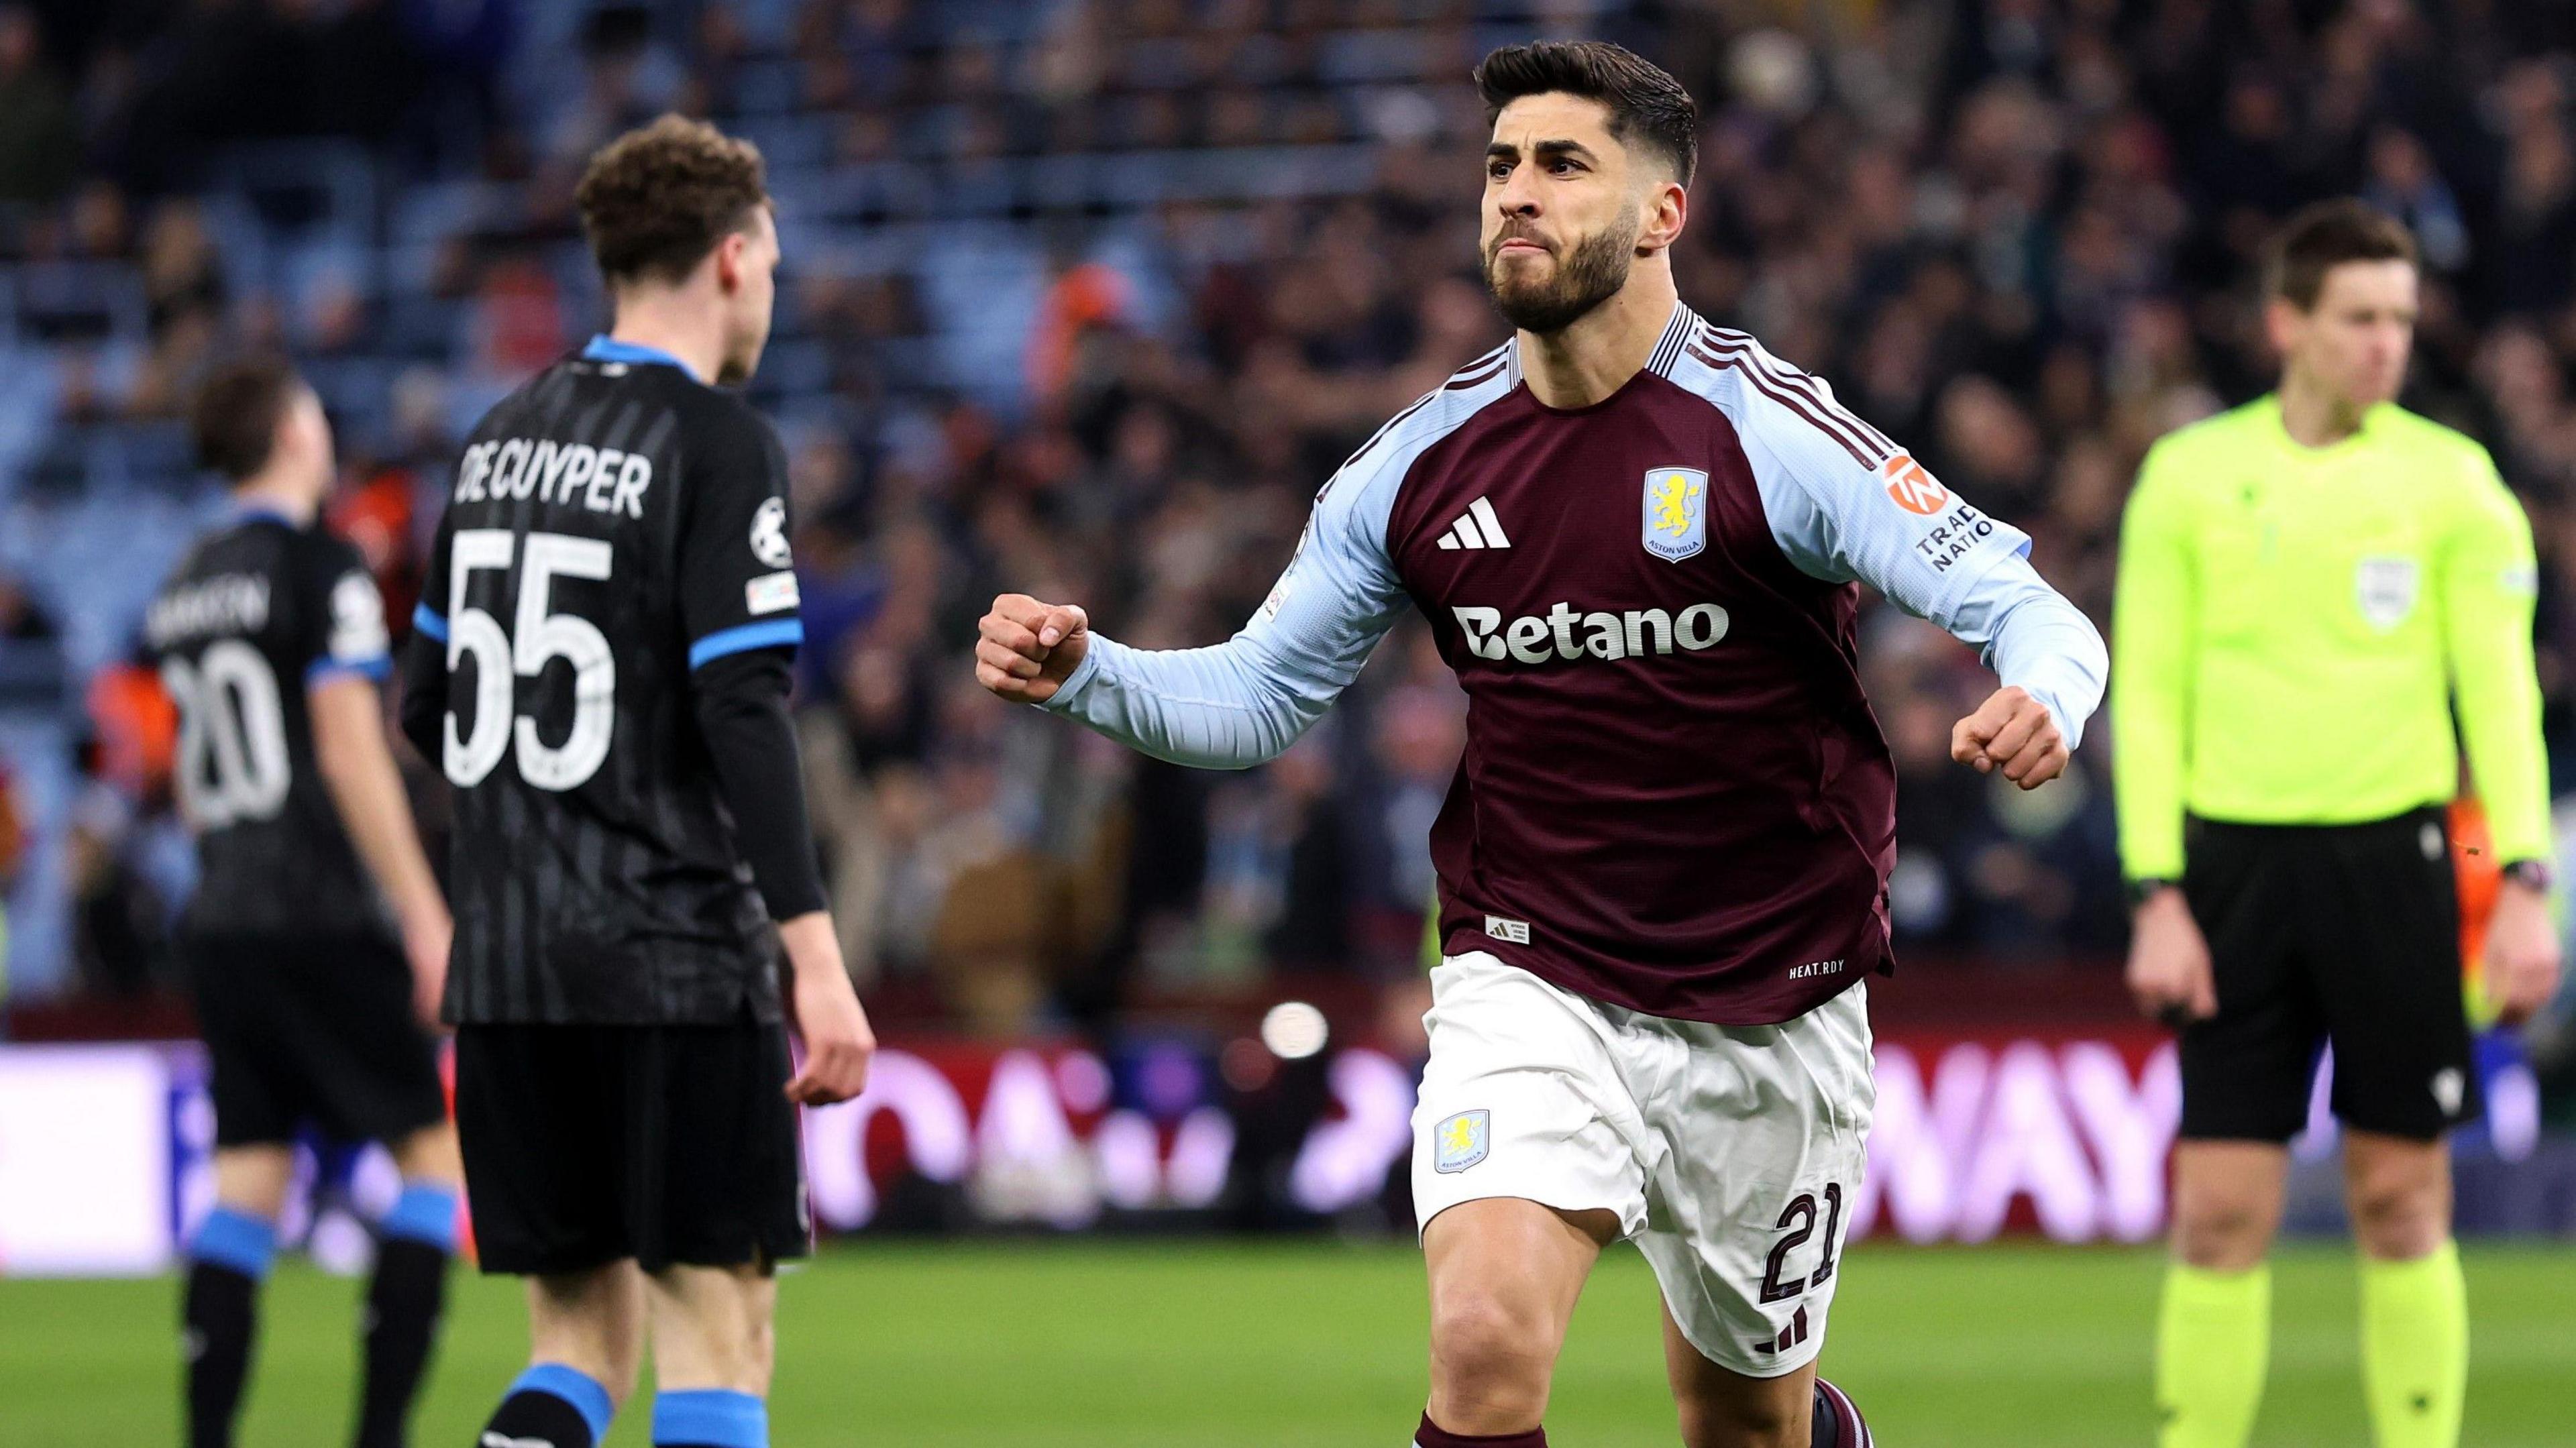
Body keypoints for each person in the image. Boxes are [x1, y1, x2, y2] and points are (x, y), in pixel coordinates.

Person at [978, 41, 2106, 1448]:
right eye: (1501, 164)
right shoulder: (1417, 467)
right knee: (1486, 1342)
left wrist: (2049, 693)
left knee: (1747, 1424)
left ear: (1660, 214)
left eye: (1563, 165)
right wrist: (1091, 674)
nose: (1517, 193)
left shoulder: (1773, 431)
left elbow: (2031, 608)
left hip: (1777, 994)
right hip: (1533, 973)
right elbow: (1261, 699)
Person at [399, 115, 873, 1448]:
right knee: (720, 1334)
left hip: (508, 974)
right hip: (668, 954)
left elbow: (427, 707)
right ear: (732, 261)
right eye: (771, 262)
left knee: (575, 1348)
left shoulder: (495, 442)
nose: (772, 290)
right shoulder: (718, 448)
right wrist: (815, 957)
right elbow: (744, 705)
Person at [2114, 199, 2564, 1448]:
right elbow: (2148, 697)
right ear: (2287, 324)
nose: (2386, 344)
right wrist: (2156, 893)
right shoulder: (2190, 478)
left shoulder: (2452, 484)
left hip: (2398, 863)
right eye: (2359, 318)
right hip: (2230, 873)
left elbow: (2501, 699)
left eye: (2402, 320)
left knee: (2405, 1198)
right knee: (2217, 1210)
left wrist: (2524, 880)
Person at [149, 357, 461, 1448]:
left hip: (226, 913)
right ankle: (377, 1438)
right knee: (432, 1163)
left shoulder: (184, 584)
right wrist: (423, 914)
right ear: (291, 432)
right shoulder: (324, 566)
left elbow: (191, 777)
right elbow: (350, 751)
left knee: (246, 1185)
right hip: (323, 911)